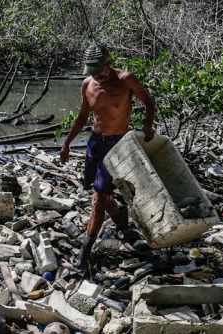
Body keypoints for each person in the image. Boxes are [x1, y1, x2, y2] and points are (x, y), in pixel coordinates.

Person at [60, 43, 156, 272]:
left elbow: (148, 101)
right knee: (97, 190)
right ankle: (123, 223)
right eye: (91, 72)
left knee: (99, 200)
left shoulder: (126, 80)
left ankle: (84, 253)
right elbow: (83, 117)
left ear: (109, 64)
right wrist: (66, 143)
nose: (96, 76)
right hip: (95, 144)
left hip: (117, 145)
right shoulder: (87, 85)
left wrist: (148, 124)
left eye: (99, 71)